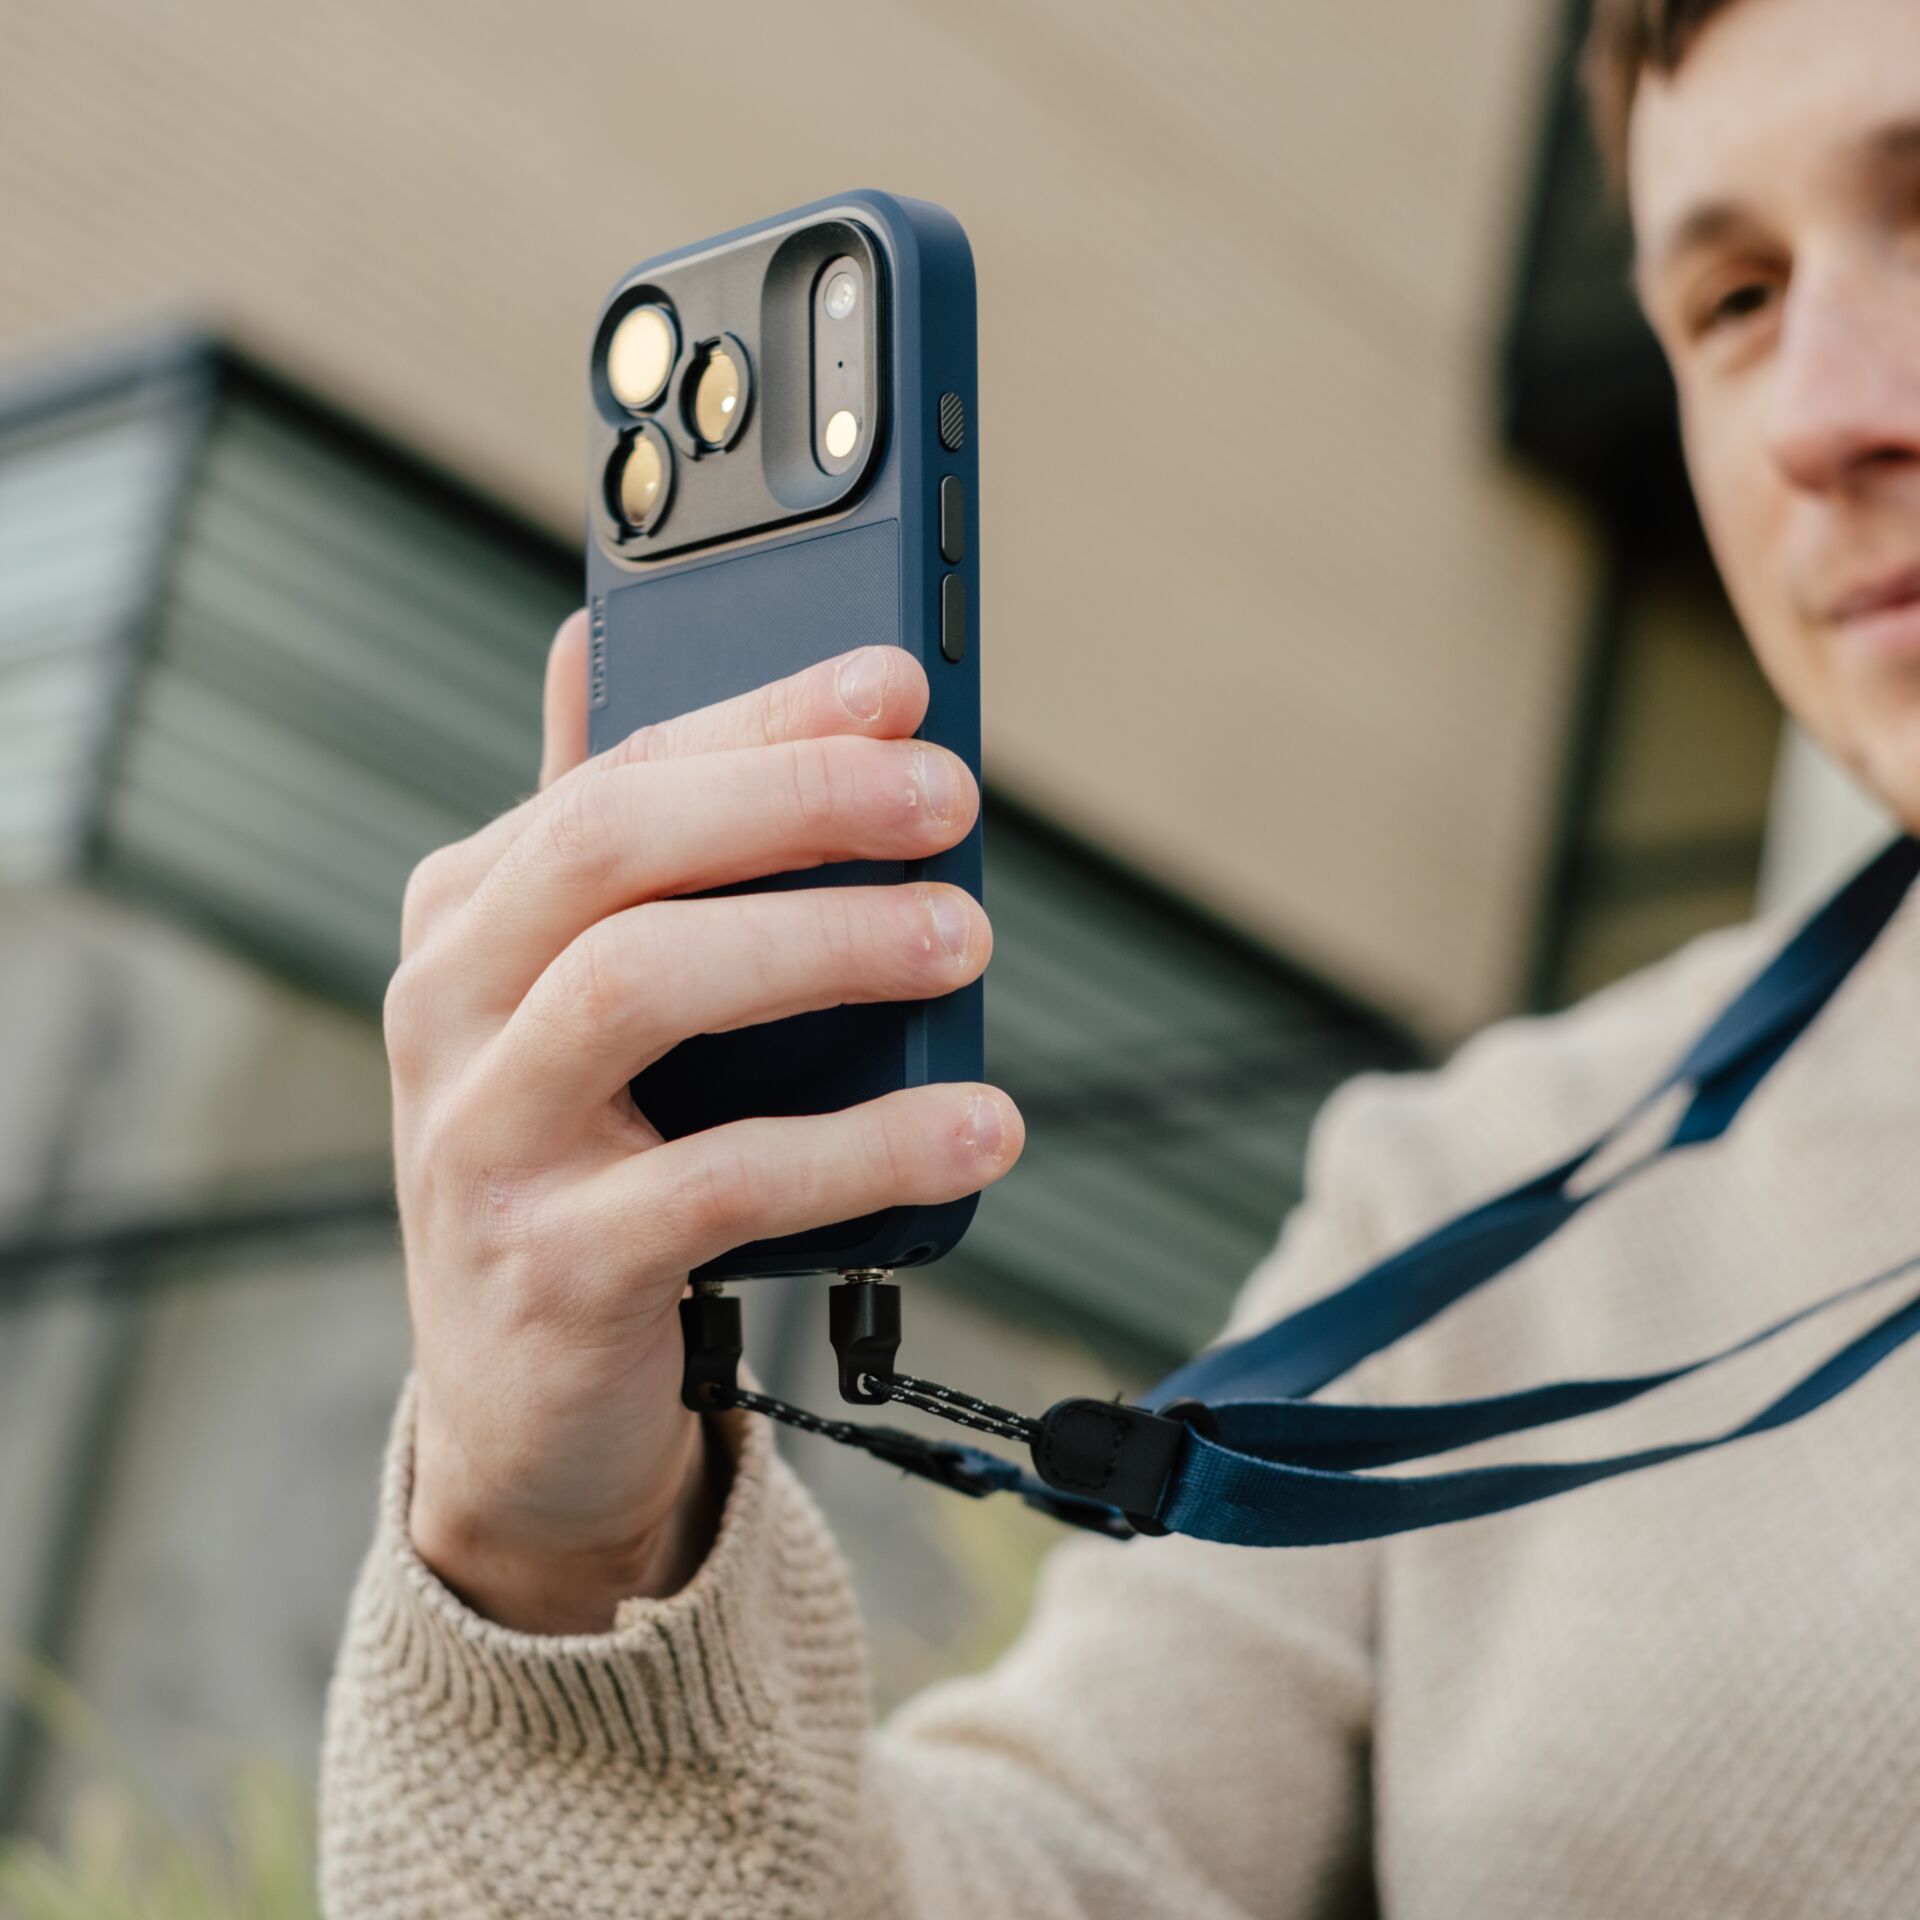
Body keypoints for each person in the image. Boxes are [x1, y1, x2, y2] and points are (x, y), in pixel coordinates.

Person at [317, 0, 1920, 1911]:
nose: (1817, 414)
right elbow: (1049, 1868)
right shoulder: (1485, 1202)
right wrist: (551, 1562)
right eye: (1734, 301)